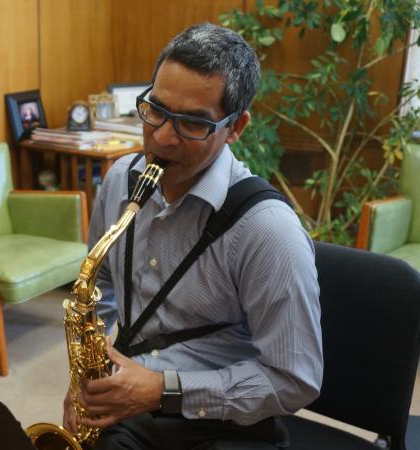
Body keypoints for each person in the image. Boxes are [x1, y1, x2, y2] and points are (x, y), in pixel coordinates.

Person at [63, 23, 323, 449]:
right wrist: (86, 380)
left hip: (225, 423)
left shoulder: (268, 231)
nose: (163, 137)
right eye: (156, 110)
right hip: (132, 407)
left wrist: (161, 390)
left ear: (236, 127)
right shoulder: (118, 181)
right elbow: (103, 285)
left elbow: (295, 380)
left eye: (193, 124)